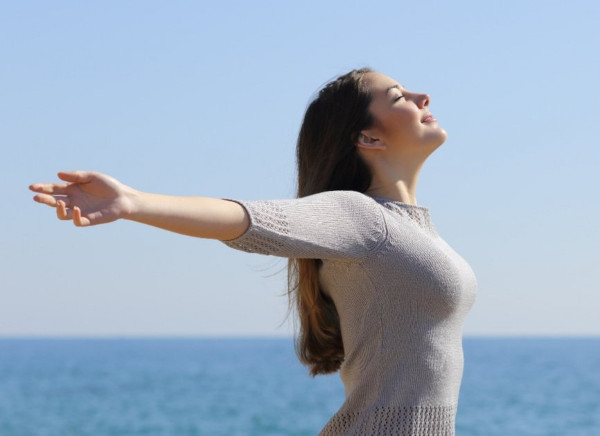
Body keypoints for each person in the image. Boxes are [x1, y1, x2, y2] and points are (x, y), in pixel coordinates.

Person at [30, 68, 477, 435]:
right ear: (369, 138)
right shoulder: (363, 217)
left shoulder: (410, 230)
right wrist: (133, 202)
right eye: (399, 96)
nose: (423, 96)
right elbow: (247, 218)